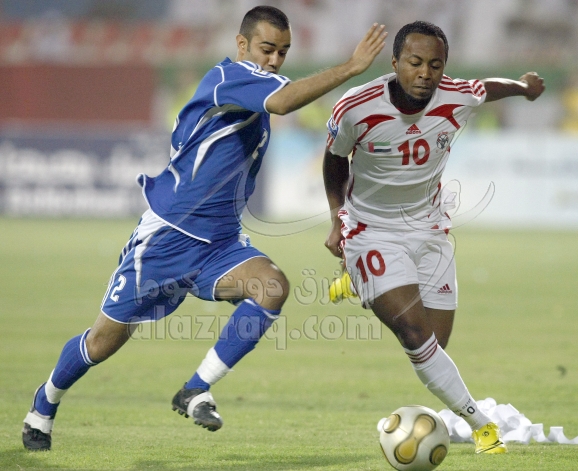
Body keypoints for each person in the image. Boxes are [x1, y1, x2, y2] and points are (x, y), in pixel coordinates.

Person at [22, 6, 387, 451]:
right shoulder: (230, 77)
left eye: (283, 52)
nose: (274, 60)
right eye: (267, 49)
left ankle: (196, 388)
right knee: (101, 343)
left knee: (271, 287)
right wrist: (351, 67)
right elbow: (285, 101)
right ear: (242, 45)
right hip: (168, 238)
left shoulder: (254, 92)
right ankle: (44, 404)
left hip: (220, 243)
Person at [323, 21, 545, 455]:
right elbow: (334, 161)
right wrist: (338, 219)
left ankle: (361, 283)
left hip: (429, 230)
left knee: (436, 344)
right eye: (415, 62)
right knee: (414, 335)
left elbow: (488, 87)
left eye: (435, 65)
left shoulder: (456, 96)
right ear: (395, 62)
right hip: (371, 230)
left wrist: (523, 87)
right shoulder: (356, 107)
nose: (425, 73)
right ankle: (482, 426)